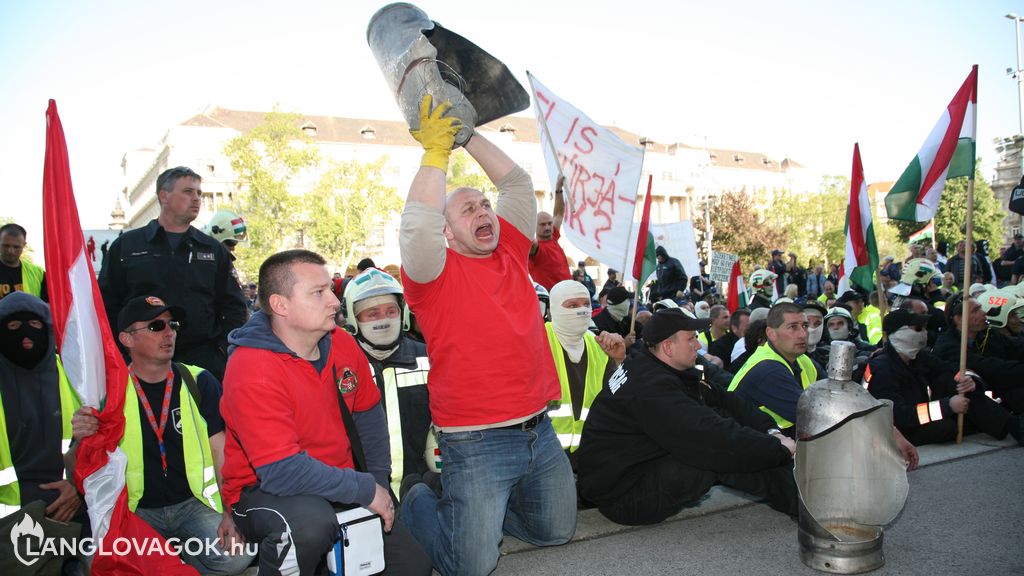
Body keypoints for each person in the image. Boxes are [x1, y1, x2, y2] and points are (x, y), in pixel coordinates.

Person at [395, 96, 576, 574]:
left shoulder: (512, 248)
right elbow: (417, 225)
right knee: (471, 567)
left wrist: (467, 132)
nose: (484, 212)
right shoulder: (433, 274)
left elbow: (515, 182)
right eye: (468, 210)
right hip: (475, 442)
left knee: (555, 531)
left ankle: (479, 516)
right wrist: (436, 154)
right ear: (448, 233)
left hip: (538, 429)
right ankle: (419, 500)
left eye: (484, 204)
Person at [220, 250, 430, 575]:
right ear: (280, 305)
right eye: (319, 293)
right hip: (264, 492)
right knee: (310, 524)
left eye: (330, 289)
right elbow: (282, 471)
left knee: (413, 567)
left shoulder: (341, 342)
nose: (334, 300)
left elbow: (369, 414)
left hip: (337, 483)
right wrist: (363, 489)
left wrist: (377, 484)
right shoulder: (251, 368)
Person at [72, 295, 254, 574]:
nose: (169, 333)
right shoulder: (106, 394)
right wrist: (84, 439)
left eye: (173, 325)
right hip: (136, 511)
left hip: (193, 506)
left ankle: (175, 561)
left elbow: (222, 452)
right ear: (127, 339)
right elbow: (75, 467)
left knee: (238, 555)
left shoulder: (199, 381)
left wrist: (231, 513)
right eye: (156, 327)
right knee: (97, 561)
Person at [576, 308, 799, 526]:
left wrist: (771, 431)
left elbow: (725, 399)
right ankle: (807, 507)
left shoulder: (656, 365)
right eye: (691, 339)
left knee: (719, 420)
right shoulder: (650, 387)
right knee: (715, 453)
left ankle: (803, 495)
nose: (699, 345)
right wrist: (778, 449)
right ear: (668, 347)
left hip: (636, 468)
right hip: (623, 496)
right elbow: (713, 438)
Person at [99, 166, 248, 381]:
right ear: (164, 196)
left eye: (198, 192)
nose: (196, 198)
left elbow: (233, 306)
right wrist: (123, 351)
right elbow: (108, 303)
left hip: (203, 361)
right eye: (188, 192)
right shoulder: (127, 246)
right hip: (142, 361)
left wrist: (222, 349)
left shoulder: (212, 250)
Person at [0, 293, 84, 574]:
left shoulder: (73, 376)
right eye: (12, 328)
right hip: (8, 519)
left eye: (35, 326)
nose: (25, 335)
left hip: (69, 506)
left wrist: (77, 487)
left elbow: (97, 441)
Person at [865, 308, 1022, 446]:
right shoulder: (882, 368)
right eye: (918, 328)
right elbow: (899, 416)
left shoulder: (920, 357)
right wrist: (947, 406)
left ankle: (1013, 426)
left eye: (925, 328)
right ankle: (1009, 425)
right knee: (947, 428)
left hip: (920, 411)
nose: (924, 333)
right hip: (896, 427)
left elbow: (952, 368)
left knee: (950, 380)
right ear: (896, 334)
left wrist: (969, 379)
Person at [343, 267, 434, 497]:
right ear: (354, 318)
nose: (383, 320)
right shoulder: (340, 365)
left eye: (391, 310)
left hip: (424, 489)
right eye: (372, 313)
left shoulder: (429, 358)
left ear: (402, 313)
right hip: (361, 497)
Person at [543, 280, 625, 469]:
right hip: (543, 456)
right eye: (572, 305)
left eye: (586, 304)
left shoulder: (599, 345)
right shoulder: (536, 340)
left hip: (589, 454)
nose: (581, 311)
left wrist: (620, 360)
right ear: (554, 308)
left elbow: (619, 399)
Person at [727, 302, 825, 435]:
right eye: (793, 327)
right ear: (771, 333)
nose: (803, 334)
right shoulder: (767, 369)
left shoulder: (802, 360)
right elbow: (817, 417)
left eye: (804, 326)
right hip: (746, 450)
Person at [931, 293, 1024, 414]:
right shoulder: (948, 346)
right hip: (972, 406)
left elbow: (1016, 347)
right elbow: (990, 368)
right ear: (958, 319)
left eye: (980, 308)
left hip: (1000, 391)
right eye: (976, 310)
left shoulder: (987, 334)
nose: (983, 312)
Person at [528, 176, 571, 291]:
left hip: (569, 293)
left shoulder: (553, 237)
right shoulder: (535, 249)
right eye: (542, 224)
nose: (547, 227)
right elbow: (532, 244)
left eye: (549, 223)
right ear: (534, 226)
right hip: (553, 301)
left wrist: (558, 189)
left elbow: (558, 214)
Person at [0, 223, 47, 302]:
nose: (11, 251)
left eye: (16, 247)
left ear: (24, 245)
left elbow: (48, 306)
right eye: (6, 246)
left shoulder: (38, 274)